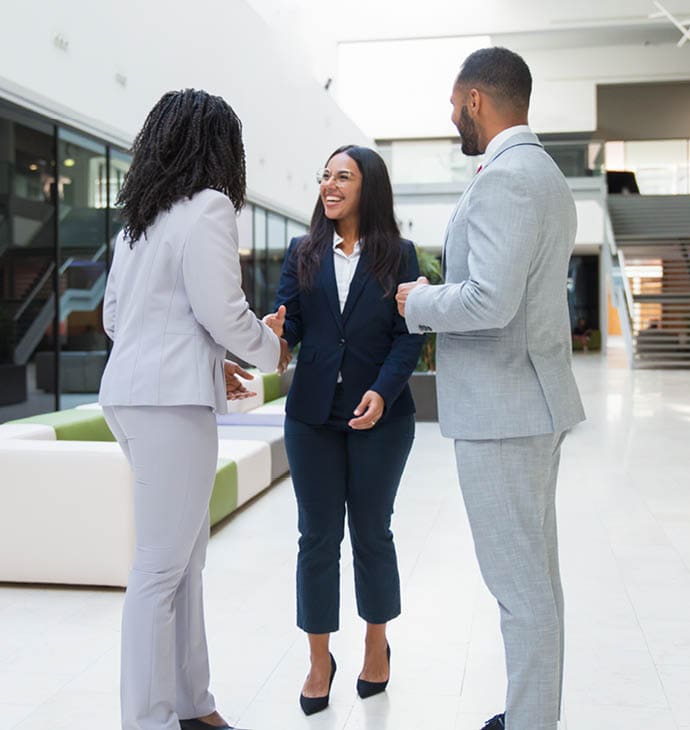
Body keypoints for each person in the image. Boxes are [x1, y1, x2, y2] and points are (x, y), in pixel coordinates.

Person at [396, 48, 585, 730]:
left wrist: (418, 301)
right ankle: (532, 713)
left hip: (504, 410)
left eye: (454, 106)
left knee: (519, 587)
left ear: (476, 99)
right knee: (536, 579)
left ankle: (531, 722)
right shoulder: (542, 174)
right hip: (528, 400)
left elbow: (488, 302)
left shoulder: (508, 178)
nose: (453, 120)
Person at [99, 88, 289, 730]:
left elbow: (116, 319)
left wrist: (213, 360)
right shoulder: (208, 208)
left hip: (130, 395)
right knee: (160, 565)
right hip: (170, 403)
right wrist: (271, 351)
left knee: (184, 557)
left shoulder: (139, 221)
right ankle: (149, 720)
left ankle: (192, 703)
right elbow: (223, 311)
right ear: (219, 147)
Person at [266, 145, 423, 716]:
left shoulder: (400, 255)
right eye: (325, 176)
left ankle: (376, 645)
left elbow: (411, 334)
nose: (329, 186)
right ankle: (317, 659)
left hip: (382, 417)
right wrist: (275, 334)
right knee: (317, 537)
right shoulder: (301, 252)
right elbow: (290, 332)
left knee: (372, 534)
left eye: (343, 177)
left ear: (368, 187)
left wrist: (382, 392)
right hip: (312, 419)